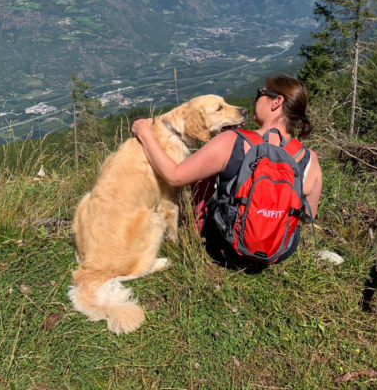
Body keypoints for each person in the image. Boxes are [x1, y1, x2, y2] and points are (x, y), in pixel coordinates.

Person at [131, 74, 323, 267]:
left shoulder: (232, 141)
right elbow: (308, 215)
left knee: (203, 177)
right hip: (281, 250)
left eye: (260, 94)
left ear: (277, 101)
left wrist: (144, 133)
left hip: (229, 247)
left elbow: (174, 176)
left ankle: (198, 231)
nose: (255, 100)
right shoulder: (310, 158)